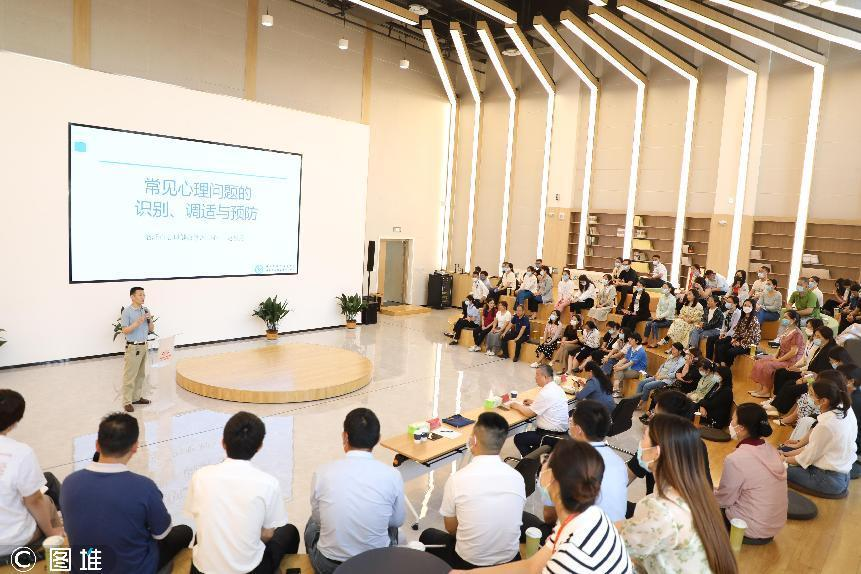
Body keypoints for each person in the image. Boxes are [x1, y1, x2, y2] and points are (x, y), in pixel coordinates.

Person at [457, 440, 633, 574]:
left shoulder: (567, 560)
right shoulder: (590, 515)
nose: (542, 465)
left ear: (552, 479)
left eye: (547, 461)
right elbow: (532, 566)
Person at [62, 413, 193, 573]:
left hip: (84, 565)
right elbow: (161, 534)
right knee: (184, 531)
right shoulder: (144, 487)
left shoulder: (69, 482)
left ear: (97, 445)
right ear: (135, 447)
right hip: (133, 569)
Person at [619, 414, 737, 574]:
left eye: (644, 437)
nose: (640, 444)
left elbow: (620, 546)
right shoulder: (697, 493)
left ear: (656, 452)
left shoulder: (659, 509)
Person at [185, 412, 299, 574]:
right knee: (289, 531)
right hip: (250, 571)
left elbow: (195, 515)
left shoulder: (200, 476)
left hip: (202, 570)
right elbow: (268, 534)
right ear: (259, 447)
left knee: (202, 534)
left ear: (223, 443)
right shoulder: (268, 483)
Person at [420, 412, 524, 569]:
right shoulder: (517, 478)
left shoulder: (457, 479)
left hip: (469, 562)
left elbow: (451, 528)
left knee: (428, 535)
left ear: (473, 440)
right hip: (510, 561)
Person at [305, 408, 404, 573]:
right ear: (378, 439)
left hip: (329, 566)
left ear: (345, 436)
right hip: (376, 565)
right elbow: (397, 521)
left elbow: (318, 519)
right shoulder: (393, 475)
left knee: (312, 524)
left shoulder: (322, 472)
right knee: (391, 527)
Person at [523, 401, 629, 544]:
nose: (569, 425)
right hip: (615, 539)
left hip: (580, 541)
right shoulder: (619, 462)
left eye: (571, 422)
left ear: (578, 430)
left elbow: (550, 516)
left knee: (524, 521)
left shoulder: (566, 459)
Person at [0, 390, 64, 557]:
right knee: (45, 500)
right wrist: (50, 532)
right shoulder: (20, 452)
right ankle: (58, 552)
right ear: (14, 422)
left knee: (47, 479)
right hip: (11, 543)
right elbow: (33, 501)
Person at [714, 403, 787, 543]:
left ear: (741, 428)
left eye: (733, 419)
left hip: (745, 528)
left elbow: (723, 500)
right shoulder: (771, 450)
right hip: (772, 528)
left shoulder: (736, 459)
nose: (731, 423)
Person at [629, 391, 713, 507]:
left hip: (659, 509)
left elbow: (627, 476)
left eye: (656, 415)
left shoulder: (655, 445)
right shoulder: (697, 444)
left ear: (668, 423)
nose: (651, 418)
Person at [782, 380, 857, 497]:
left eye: (812, 394)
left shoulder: (827, 425)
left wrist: (784, 458)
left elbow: (805, 457)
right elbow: (813, 448)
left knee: (773, 468)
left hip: (826, 479)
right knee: (782, 452)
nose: (809, 397)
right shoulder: (844, 409)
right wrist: (785, 453)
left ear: (823, 401)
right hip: (839, 475)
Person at [769, 325, 836, 415]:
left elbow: (819, 375)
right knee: (782, 373)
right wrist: (803, 375)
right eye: (815, 335)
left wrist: (805, 379)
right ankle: (776, 402)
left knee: (791, 386)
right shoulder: (821, 347)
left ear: (827, 338)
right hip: (809, 375)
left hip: (818, 382)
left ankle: (779, 410)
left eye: (818, 336)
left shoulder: (828, 352)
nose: (815, 338)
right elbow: (811, 367)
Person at [511, 365, 569, 456]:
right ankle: (537, 456)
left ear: (545, 377)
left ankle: (531, 462)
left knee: (519, 439)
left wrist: (516, 406)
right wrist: (534, 402)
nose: (535, 377)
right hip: (563, 434)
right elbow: (549, 403)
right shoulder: (557, 388)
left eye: (537, 375)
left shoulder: (545, 393)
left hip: (549, 436)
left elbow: (529, 413)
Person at [749, 310, 805, 398]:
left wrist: (778, 360)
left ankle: (766, 391)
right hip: (781, 356)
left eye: (786, 317)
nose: (783, 319)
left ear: (793, 320)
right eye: (783, 317)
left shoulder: (797, 333)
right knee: (759, 361)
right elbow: (780, 346)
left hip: (790, 361)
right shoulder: (787, 329)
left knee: (767, 366)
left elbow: (793, 352)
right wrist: (775, 356)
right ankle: (760, 389)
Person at [120, 286, 154, 412]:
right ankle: (127, 402)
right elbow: (125, 330)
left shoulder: (145, 310)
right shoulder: (127, 312)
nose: (143, 297)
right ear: (132, 297)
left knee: (141, 374)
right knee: (130, 376)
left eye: (144, 295)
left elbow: (151, 329)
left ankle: (136, 398)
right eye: (140, 295)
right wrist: (137, 323)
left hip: (144, 345)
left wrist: (149, 320)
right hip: (133, 347)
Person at [635, 343, 685, 408]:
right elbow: (662, 366)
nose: (672, 351)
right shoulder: (671, 356)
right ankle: (634, 401)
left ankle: (640, 404)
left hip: (666, 380)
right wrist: (657, 373)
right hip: (659, 376)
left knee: (647, 386)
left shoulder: (681, 361)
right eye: (671, 349)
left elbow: (674, 374)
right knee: (641, 383)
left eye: (674, 349)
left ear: (680, 351)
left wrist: (661, 377)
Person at [714, 299, 761, 367]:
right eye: (745, 305)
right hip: (739, 340)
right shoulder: (743, 318)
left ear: (753, 308)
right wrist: (734, 339)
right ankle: (721, 364)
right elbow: (737, 331)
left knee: (731, 351)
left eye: (749, 306)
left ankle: (727, 367)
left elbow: (751, 338)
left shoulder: (754, 321)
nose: (746, 307)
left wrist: (739, 343)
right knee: (722, 347)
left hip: (749, 344)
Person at [611, 332, 647, 399]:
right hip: (630, 368)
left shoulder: (641, 351)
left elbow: (630, 363)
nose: (629, 340)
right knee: (618, 369)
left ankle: (616, 389)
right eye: (629, 338)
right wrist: (617, 365)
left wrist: (619, 368)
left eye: (631, 339)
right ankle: (617, 390)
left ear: (637, 341)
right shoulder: (631, 348)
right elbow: (625, 359)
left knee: (619, 371)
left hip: (639, 371)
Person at [706, 296, 741, 361]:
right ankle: (708, 359)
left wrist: (725, 335)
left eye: (730, 302)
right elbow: (724, 325)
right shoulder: (727, 312)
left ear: (735, 304)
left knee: (718, 342)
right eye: (727, 302)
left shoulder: (737, 313)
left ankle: (717, 362)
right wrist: (721, 333)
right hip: (725, 333)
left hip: (732, 335)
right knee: (710, 339)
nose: (727, 303)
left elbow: (734, 328)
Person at [644, 283, 676, 347]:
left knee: (654, 324)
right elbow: (658, 307)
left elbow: (669, 311)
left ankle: (655, 342)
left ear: (670, 289)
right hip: (660, 318)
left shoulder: (672, 298)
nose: (663, 289)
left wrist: (660, 317)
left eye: (665, 287)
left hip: (668, 319)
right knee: (648, 323)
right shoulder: (662, 296)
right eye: (662, 287)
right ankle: (645, 340)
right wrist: (658, 316)